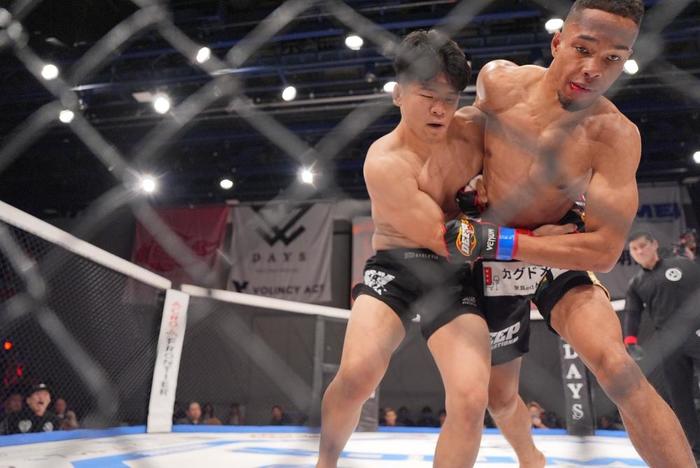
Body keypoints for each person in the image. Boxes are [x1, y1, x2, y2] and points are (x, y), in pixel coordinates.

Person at [447, 0, 695, 465]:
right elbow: (458, 145)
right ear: (557, 42)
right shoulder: (498, 83)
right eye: (583, 49)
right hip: (490, 255)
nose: (594, 69)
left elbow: (604, 251)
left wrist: (507, 242)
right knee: (497, 397)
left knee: (617, 368)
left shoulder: (615, 135)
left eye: (613, 58)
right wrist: (464, 191)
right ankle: (532, 458)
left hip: (548, 254)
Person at [316, 29, 492, 468]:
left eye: (450, 99)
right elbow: (444, 238)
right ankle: (325, 463)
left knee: (472, 397)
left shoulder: (473, 133)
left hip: (453, 278)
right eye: (427, 96)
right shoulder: (385, 161)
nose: (440, 109)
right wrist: (486, 210)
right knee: (357, 376)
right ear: (398, 94)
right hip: (397, 265)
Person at [624, 231, 700, 460]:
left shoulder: (682, 265)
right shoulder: (636, 283)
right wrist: (630, 341)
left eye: (643, 246)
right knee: (680, 398)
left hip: (696, 334)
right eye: (634, 249)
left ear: (654, 244)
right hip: (669, 344)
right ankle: (695, 451)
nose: (640, 252)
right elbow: (632, 313)